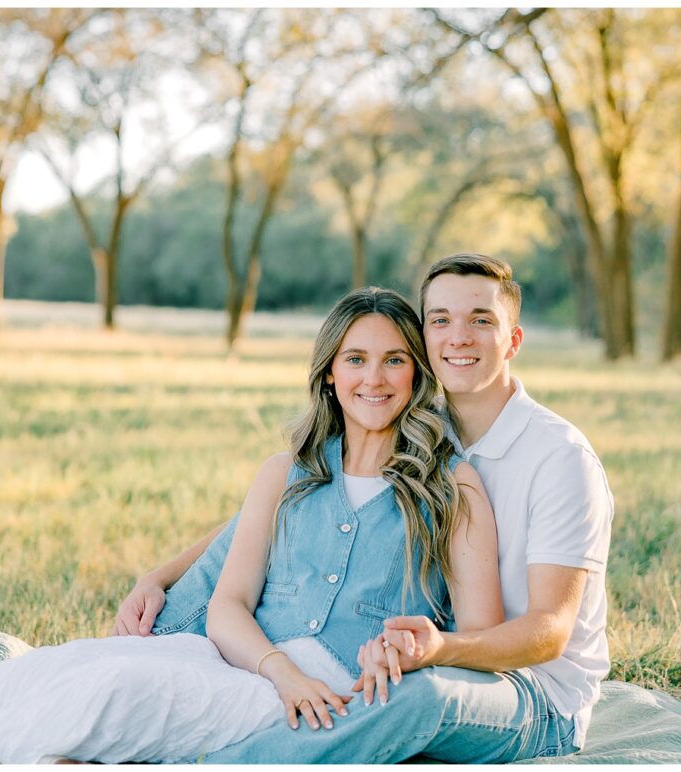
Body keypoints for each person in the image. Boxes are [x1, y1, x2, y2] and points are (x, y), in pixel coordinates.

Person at [0, 287, 502, 764]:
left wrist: (426, 650)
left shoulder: (452, 488)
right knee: (55, 667)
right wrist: (273, 665)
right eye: (355, 359)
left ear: (416, 376)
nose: (373, 379)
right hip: (246, 661)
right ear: (328, 374)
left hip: (326, 688)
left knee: (110, 692)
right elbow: (227, 603)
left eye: (394, 361)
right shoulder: (285, 475)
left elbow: (483, 634)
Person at [113, 253, 614, 763]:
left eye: (481, 321)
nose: (458, 337)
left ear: (513, 340)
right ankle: (137, 698)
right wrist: (162, 575)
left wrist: (441, 650)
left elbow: (550, 631)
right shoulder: (419, 424)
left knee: (420, 695)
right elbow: (277, 513)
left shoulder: (558, 458)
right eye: (440, 320)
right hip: (446, 655)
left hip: (531, 695)